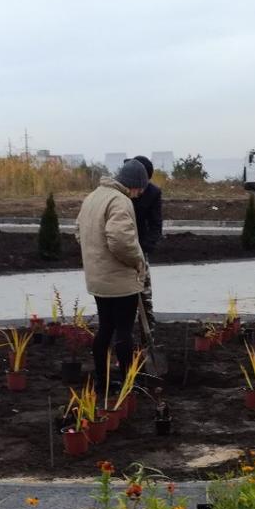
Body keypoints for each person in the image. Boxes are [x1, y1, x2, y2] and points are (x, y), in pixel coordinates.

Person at [77, 158, 148, 386]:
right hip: (119, 281)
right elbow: (120, 241)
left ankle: (102, 382)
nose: (138, 195)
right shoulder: (120, 201)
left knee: (105, 328)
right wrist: (138, 261)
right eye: (140, 189)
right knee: (124, 332)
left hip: (98, 279)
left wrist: (95, 254)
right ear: (135, 185)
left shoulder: (93, 196)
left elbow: (79, 231)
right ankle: (128, 383)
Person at [130, 155, 163, 326]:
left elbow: (156, 224)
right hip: (116, 250)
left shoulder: (153, 193)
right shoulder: (120, 191)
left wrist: (144, 248)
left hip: (140, 250)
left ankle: (147, 340)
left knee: (144, 298)